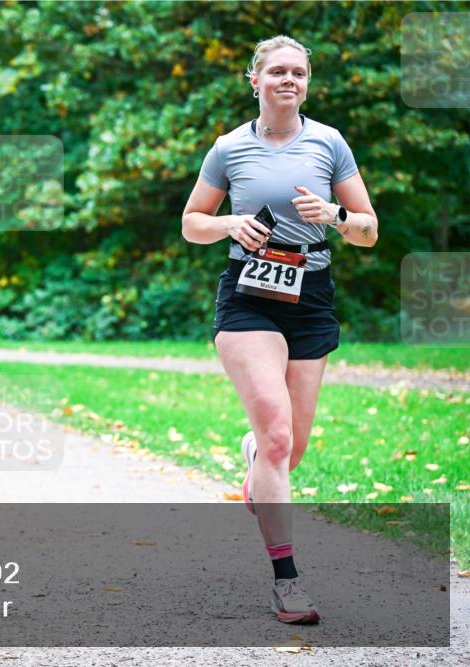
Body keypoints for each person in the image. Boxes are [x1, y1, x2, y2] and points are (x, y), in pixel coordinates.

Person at [181, 35, 377, 625]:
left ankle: (257, 456)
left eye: (298, 73)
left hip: (311, 296)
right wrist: (230, 224)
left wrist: (337, 217)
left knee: (290, 450)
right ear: (256, 80)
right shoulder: (229, 148)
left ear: (306, 84)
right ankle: (287, 583)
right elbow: (192, 224)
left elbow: (368, 229)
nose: (288, 80)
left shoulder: (329, 143)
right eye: (277, 72)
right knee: (276, 437)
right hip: (250, 296)